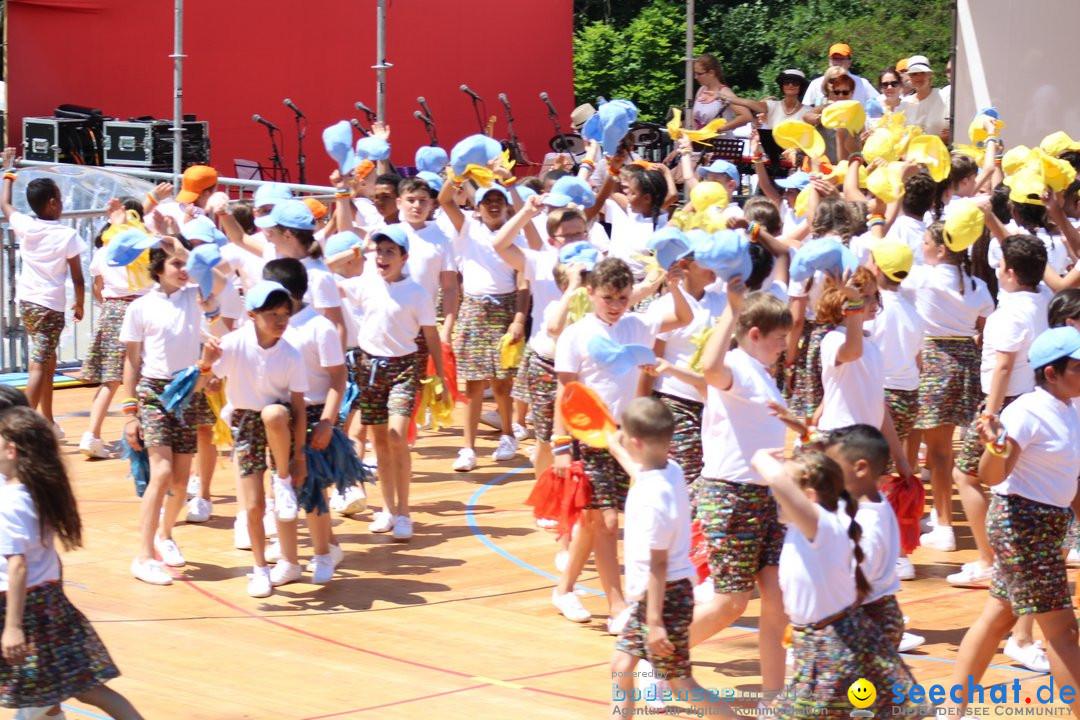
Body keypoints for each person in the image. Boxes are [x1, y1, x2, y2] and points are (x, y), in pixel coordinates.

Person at [937, 326, 1080, 717]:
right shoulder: (1027, 412)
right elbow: (991, 475)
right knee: (1064, 632)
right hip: (1023, 525)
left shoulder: (1071, 409)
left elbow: (1073, 476)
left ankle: (951, 710)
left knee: (998, 617)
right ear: (1052, 373)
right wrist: (996, 446)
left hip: (1046, 525)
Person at [550, 258, 690, 627]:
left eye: (623, 298)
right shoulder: (575, 334)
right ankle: (616, 605)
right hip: (590, 435)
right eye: (608, 297)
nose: (615, 305)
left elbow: (683, 317)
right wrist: (561, 442)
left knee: (595, 522)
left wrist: (673, 285)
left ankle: (563, 589)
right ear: (592, 293)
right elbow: (565, 390)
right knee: (608, 521)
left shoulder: (637, 325)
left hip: (628, 437)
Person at [0, 406, 144, 720]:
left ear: (11, 450)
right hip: (48, 603)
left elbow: (18, 565)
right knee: (81, 688)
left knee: (50, 690)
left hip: (25, 612)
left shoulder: (10, 502)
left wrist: (12, 628)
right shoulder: (33, 491)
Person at [751, 448, 917, 717]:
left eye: (783, 494)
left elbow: (779, 479)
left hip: (831, 645)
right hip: (821, 642)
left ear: (808, 498)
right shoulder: (807, 526)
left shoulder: (822, 526)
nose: (776, 498)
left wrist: (759, 457)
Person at [606, 397, 735, 719]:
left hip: (665, 596)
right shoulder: (670, 469)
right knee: (621, 663)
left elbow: (658, 564)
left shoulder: (653, 499)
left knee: (681, 684)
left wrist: (654, 624)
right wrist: (614, 447)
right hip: (663, 595)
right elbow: (639, 468)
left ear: (635, 441)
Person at [120, 237, 225, 587]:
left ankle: (166, 534)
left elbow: (216, 279)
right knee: (161, 472)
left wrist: (178, 245)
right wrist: (130, 411)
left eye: (184, 263)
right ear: (157, 269)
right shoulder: (140, 308)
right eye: (174, 264)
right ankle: (144, 555)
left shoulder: (195, 297)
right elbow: (132, 362)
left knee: (181, 481)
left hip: (189, 391)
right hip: (154, 393)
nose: (182, 269)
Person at [199, 280, 308, 598]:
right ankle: (259, 568)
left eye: (285, 313)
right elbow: (206, 383)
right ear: (252, 314)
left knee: (273, 414)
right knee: (254, 506)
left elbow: (298, 407)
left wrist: (298, 456)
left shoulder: (291, 354)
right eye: (272, 313)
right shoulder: (234, 343)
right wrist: (207, 365)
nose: (280, 320)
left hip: (278, 422)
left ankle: (283, 481)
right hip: (245, 422)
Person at [340, 226, 446, 541]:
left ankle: (404, 511)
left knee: (397, 435)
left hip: (403, 369)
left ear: (403, 257)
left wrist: (440, 376)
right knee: (379, 442)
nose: (383, 257)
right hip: (369, 369)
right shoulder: (365, 283)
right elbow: (324, 278)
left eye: (390, 252)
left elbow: (431, 335)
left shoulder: (417, 292)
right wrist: (354, 251)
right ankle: (388, 509)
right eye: (379, 251)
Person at [261, 259, 348, 584]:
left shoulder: (319, 327)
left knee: (313, 489)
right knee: (280, 486)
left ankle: (323, 552)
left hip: (313, 414)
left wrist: (327, 422)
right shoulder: (267, 327)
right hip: (278, 415)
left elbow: (339, 376)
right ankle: (289, 559)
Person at [911, 222, 994, 552]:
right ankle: (941, 518)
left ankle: (943, 523)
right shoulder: (976, 284)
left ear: (942, 249)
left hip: (933, 360)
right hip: (967, 362)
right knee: (955, 448)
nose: (922, 246)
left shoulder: (922, 278)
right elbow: (983, 327)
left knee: (938, 451)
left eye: (926, 242)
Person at [437, 179, 527, 472]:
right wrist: (455, 176)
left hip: (504, 308)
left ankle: (508, 436)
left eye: (498, 199)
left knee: (502, 383)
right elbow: (445, 200)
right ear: (478, 207)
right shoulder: (468, 229)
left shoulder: (517, 233)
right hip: (474, 310)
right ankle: (468, 448)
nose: (493, 204)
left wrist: (518, 319)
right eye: (487, 200)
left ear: (506, 205)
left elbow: (522, 280)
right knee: (474, 384)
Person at [0, 150, 86, 432]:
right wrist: (80, 304)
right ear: (52, 203)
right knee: (39, 365)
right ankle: (19, 428)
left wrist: (9, 171)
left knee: (48, 361)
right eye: (60, 199)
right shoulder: (67, 235)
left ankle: (48, 419)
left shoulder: (26, 225)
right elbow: (77, 277)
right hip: (50, 307)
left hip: (28, 304)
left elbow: (4, 203)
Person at [823, 424, 925, 652]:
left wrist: (816, 624)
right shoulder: (871, 497)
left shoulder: (867, 526)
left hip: (862, 621)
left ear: (860, 468)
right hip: (873, 615)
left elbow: (852, 589)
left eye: (832, 466)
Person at [79, 199, 151, 459]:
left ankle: (92, 433)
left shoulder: (106, 248)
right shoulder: (145, 245)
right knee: (144, 374)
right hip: (141, 308)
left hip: (113, 309)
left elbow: (97, 281)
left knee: (111, 377)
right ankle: (146, 432)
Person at [690, 54, 752, 137]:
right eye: (695, 73)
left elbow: (746, 116)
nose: (696, 77)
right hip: (702, 143)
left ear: (711, 73)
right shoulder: (701, 90)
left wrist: (720, 128)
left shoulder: (724, 93)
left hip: (721, 144)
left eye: (699, 74)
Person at [801, 43, 878, 106]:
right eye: (834, 59)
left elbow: (879, 103)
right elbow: (806, 108)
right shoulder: (816, 84)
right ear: (829, 61)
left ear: (849, 62)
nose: (838, 62)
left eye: (841, 59)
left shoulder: (862, 83)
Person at [898, 55, 948, 140]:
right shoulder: (903, 105)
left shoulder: (944, 96)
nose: (919, 77)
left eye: (922, 73)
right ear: (910, 76)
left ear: (929, 75)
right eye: (914, 74)